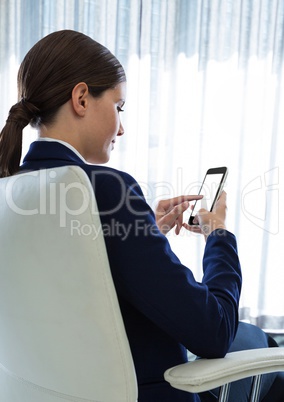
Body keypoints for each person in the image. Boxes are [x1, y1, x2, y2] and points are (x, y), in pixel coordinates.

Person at [0, 30, 282, 402]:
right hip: (150, 390)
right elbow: (214, 331)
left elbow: (73, 288)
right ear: (82, 98)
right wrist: (218, 235)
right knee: (257, 346)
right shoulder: (108, 189)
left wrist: (144, 228)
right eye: (119, 108)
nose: (122, 127)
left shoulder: (14, 187)